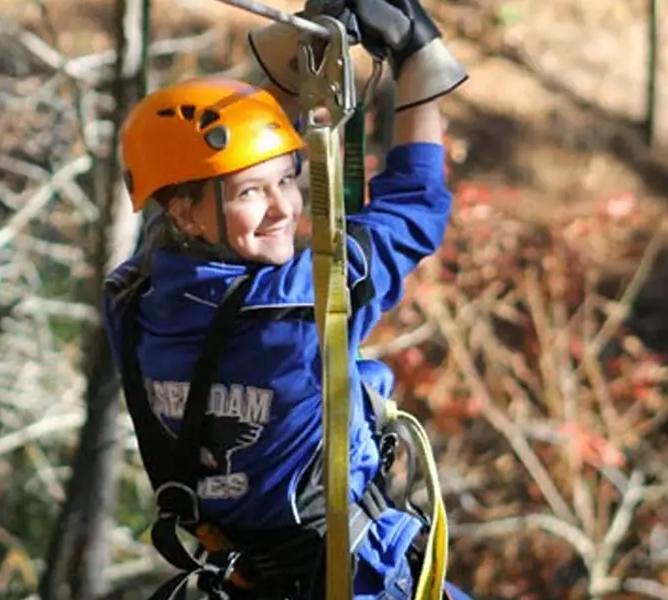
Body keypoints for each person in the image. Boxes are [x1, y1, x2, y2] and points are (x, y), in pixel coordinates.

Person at [102, 0, 474, 598]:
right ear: (187, 212)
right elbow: (415, 204)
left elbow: (177, 203)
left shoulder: (132, 299)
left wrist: (295, 69)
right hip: (360, 579)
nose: (285, 208)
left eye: (286, 178)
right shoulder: (304, 304)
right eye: (251, 191)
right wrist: (417, 68)